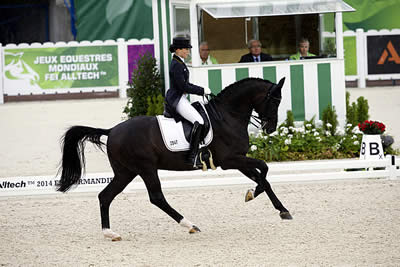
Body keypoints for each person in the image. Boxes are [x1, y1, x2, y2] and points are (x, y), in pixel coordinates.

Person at [165, 36, 212, 167]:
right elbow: (183, 87)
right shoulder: (176, 64)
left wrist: (200, 89)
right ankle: (192, 156)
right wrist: (201, 90)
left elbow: (186, 84)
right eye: (186, 49)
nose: (188, 52)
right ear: (178, 49)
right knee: (199, 121)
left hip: (180, 97)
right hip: (177, 99)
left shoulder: (179, 62)